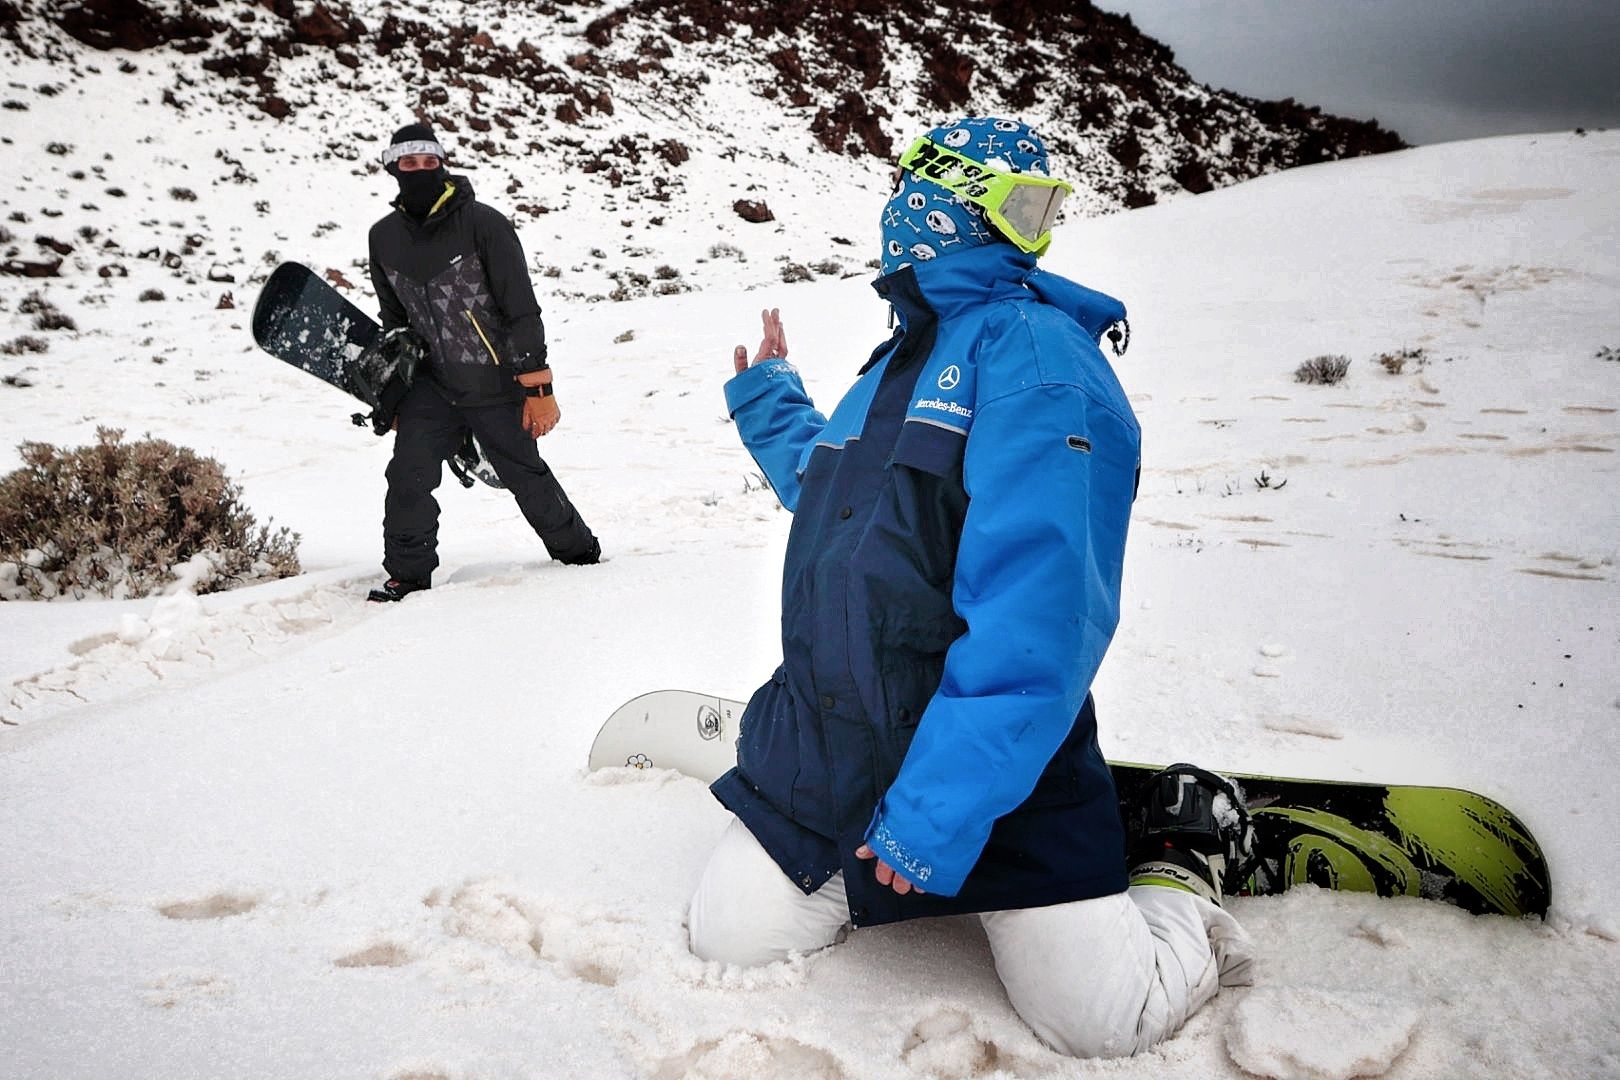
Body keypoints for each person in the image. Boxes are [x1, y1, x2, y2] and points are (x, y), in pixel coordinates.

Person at [688, 117, 1257, 1058]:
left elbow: (1040, 622)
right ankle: (883, 855)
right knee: (728, 938)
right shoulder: (904, 353)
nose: (1032, 235)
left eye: (1045, 213)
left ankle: (1175, 862)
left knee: (1103, 1021)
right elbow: (846, 510)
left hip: (988, 776)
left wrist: (932, 817)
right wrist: (773, 410)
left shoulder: (1039, 359)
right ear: (934, 200)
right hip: (839, 753)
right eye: (1016, 207)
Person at [363, 123, 599, 602]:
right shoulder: (383, 238)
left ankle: (581, 557)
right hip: (430, 385)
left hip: (493, 379)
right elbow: (394, 320)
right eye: (410, 164)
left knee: (524, 473)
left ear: (443, 164)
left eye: (430, 163)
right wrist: (394, 391)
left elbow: (521, 308)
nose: (421, 172)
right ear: (393, 168)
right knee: (407, 476)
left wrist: (537, 385)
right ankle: (406, 576)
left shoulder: (483, 224)